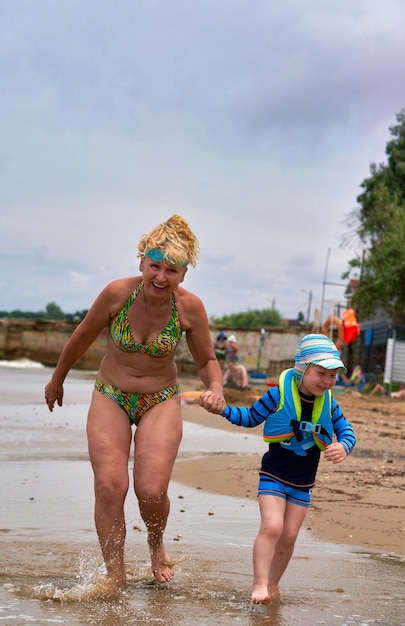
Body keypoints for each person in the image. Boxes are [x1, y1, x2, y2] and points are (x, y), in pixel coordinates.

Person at [44, 214, 225, 595]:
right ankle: (115, 574)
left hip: (160, 400)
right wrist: (57, 379)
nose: (161, 277)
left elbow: (207, 359)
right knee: (111, 485)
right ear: (142, 261)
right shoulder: (116, 294)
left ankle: (156, 545)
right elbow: (80, 338)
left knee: (151, 490)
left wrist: (216, 386)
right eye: (155, 266)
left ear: (184, 273)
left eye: (172, 270)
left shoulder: (190, 309)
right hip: (111, 394)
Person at [203, 334, 356, 604]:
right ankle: (259, 583)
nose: (327, 381)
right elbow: (250, 418)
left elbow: (347, 432)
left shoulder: (329, 404)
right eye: (321, 373)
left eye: (333, 375)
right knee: (272, 527)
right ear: (302, 370)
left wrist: (343, 446)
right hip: (273, 475)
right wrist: (224, 410)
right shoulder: (278, 394)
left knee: (289, 535)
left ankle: (272, 586)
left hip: (303, 482)